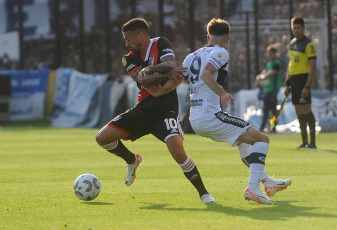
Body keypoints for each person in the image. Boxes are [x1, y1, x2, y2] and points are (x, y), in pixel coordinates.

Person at [95, 18, 215, 203]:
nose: (126, 43)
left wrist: (152, 69)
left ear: (140, 35)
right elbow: (143, 79)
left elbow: (169, 63)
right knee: (102, 138)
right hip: (143, 108)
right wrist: (167, 75)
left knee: (178, 152)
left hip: (166, 110)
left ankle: (204, 193)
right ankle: (131, 160)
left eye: (128, 38)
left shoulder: (160, 42)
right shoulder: (128, 58)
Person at [181, 18, 291, 204]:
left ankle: (268, 183)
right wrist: (222, 93)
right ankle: (253, 188)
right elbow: (206, 74)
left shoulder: (192, 56)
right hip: (209, 115)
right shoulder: (221, 51)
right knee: (262, 139)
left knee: (243, 141)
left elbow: (180, 77)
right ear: (228, 38)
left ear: (208, 36)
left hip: (195, 117)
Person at [285, 16, 317, 149]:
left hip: (304, 79)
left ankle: (313, 142)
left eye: (299, 28)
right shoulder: (292, 44)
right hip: (294, 81)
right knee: (298, 110)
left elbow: (313, 67)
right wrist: (287, 83)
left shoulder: (308, 45)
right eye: (294, 28)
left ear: (304, 28)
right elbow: (290, 64)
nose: (296, 30)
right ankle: (304, 141)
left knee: (306, 109)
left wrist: (307, 86)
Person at [255, 45, 283, 132]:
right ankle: (265, 127)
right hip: (267, 90)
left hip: (274, 90)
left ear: (275, 54)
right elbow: (265, 72)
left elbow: (271, 73)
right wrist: (259, 77)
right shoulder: (268, 64)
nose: (270, 55)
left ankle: (271, 127)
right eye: (269, 53)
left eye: (271, 53)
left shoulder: (277, 63)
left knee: (272, 109)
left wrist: (262, 78)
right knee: (267, 109)